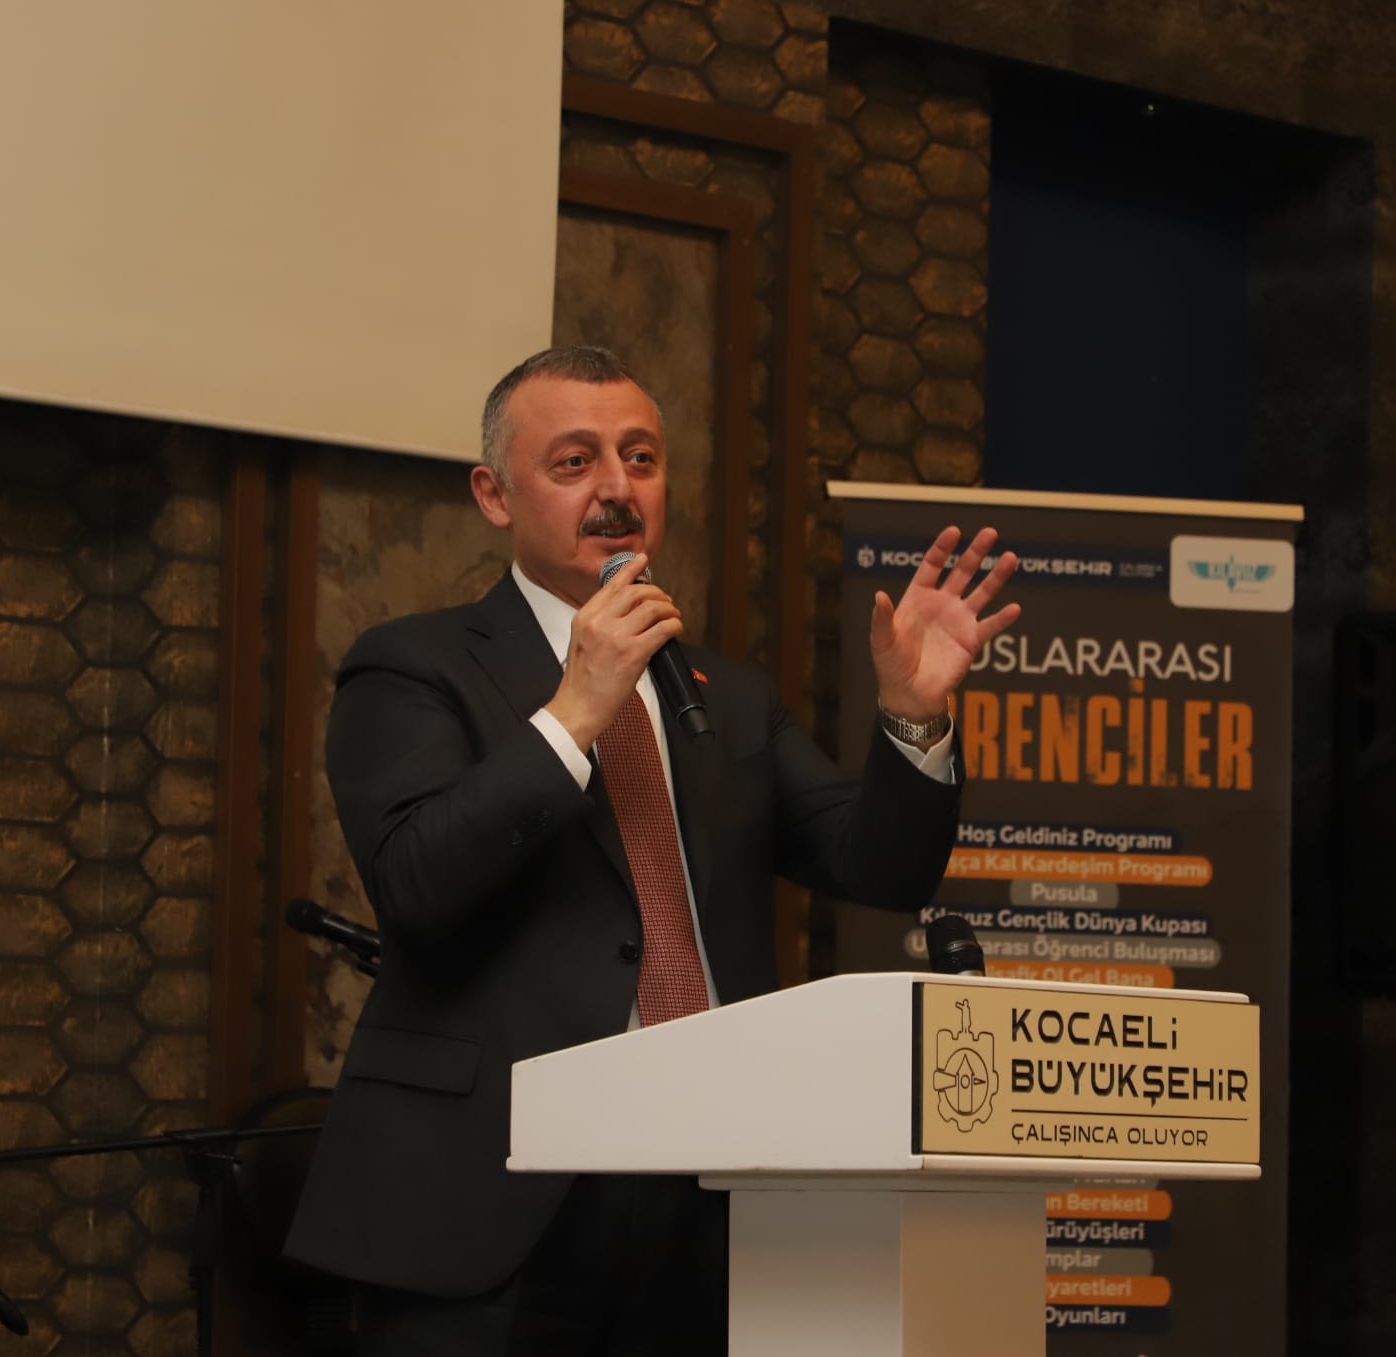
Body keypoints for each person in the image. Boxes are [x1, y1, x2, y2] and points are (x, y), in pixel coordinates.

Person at [284, 346, 1019, 1354]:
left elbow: (880, 868)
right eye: (574, 461)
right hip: (491, 1195)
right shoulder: (413, 665)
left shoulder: (727, 695)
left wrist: (911, 716)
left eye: (640, 459)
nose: (617, 489)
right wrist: (574, 713)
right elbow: (415, 882)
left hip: (707, 1193)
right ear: (494, 495)